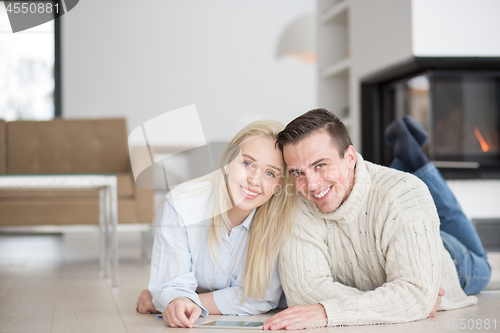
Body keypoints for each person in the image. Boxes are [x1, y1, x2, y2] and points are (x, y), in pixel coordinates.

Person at [263, 109, 491, 330]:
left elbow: (414, 293)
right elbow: (306, 291)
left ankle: (418, 163)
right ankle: (403, 161)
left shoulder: (405, 193)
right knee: (392, 196)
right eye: (298, 173)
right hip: (389, 233)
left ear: (350, 157)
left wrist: (327, 311)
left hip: (449, 257)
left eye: (320, 165)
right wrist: (400, 303)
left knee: (482, 262)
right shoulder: (297, 204)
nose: (311, 185)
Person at [136, 120, 297, 328]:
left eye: (270, 173)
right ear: (228, 163)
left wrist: (182, 301)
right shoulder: (181, 204)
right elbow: (171, 283)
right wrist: (173, 298)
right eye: (247, 163)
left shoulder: (282, 220)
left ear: (278, 185)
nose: (254, 180)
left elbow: (260, 296)